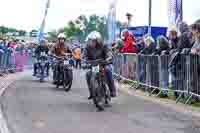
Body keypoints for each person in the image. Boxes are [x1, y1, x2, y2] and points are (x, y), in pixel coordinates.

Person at [83, 31, 117, 99]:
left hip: (103, 64)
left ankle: (112, 91)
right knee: (88, 74)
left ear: (97, 40)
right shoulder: (87, 47)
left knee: (108, 71)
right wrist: (84, 62)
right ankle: (92, 93)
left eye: (93, 41)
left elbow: (109, 53)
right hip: (93, 65)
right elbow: (84, 56)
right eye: (90, 41)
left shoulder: (104, 45)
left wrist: (108, 58)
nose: (91, 42)